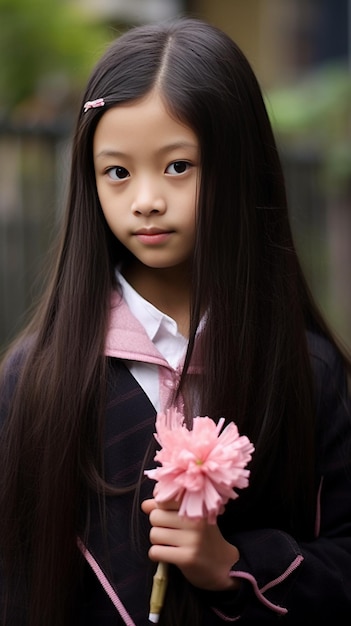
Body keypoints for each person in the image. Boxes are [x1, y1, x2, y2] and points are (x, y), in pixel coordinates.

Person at [0, 16, 351, 626]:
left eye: (177, 166)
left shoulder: (305, 371)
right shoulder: (37, 380)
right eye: (117, 171)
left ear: (240, 168)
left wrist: (235, 563)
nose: (145, 200)